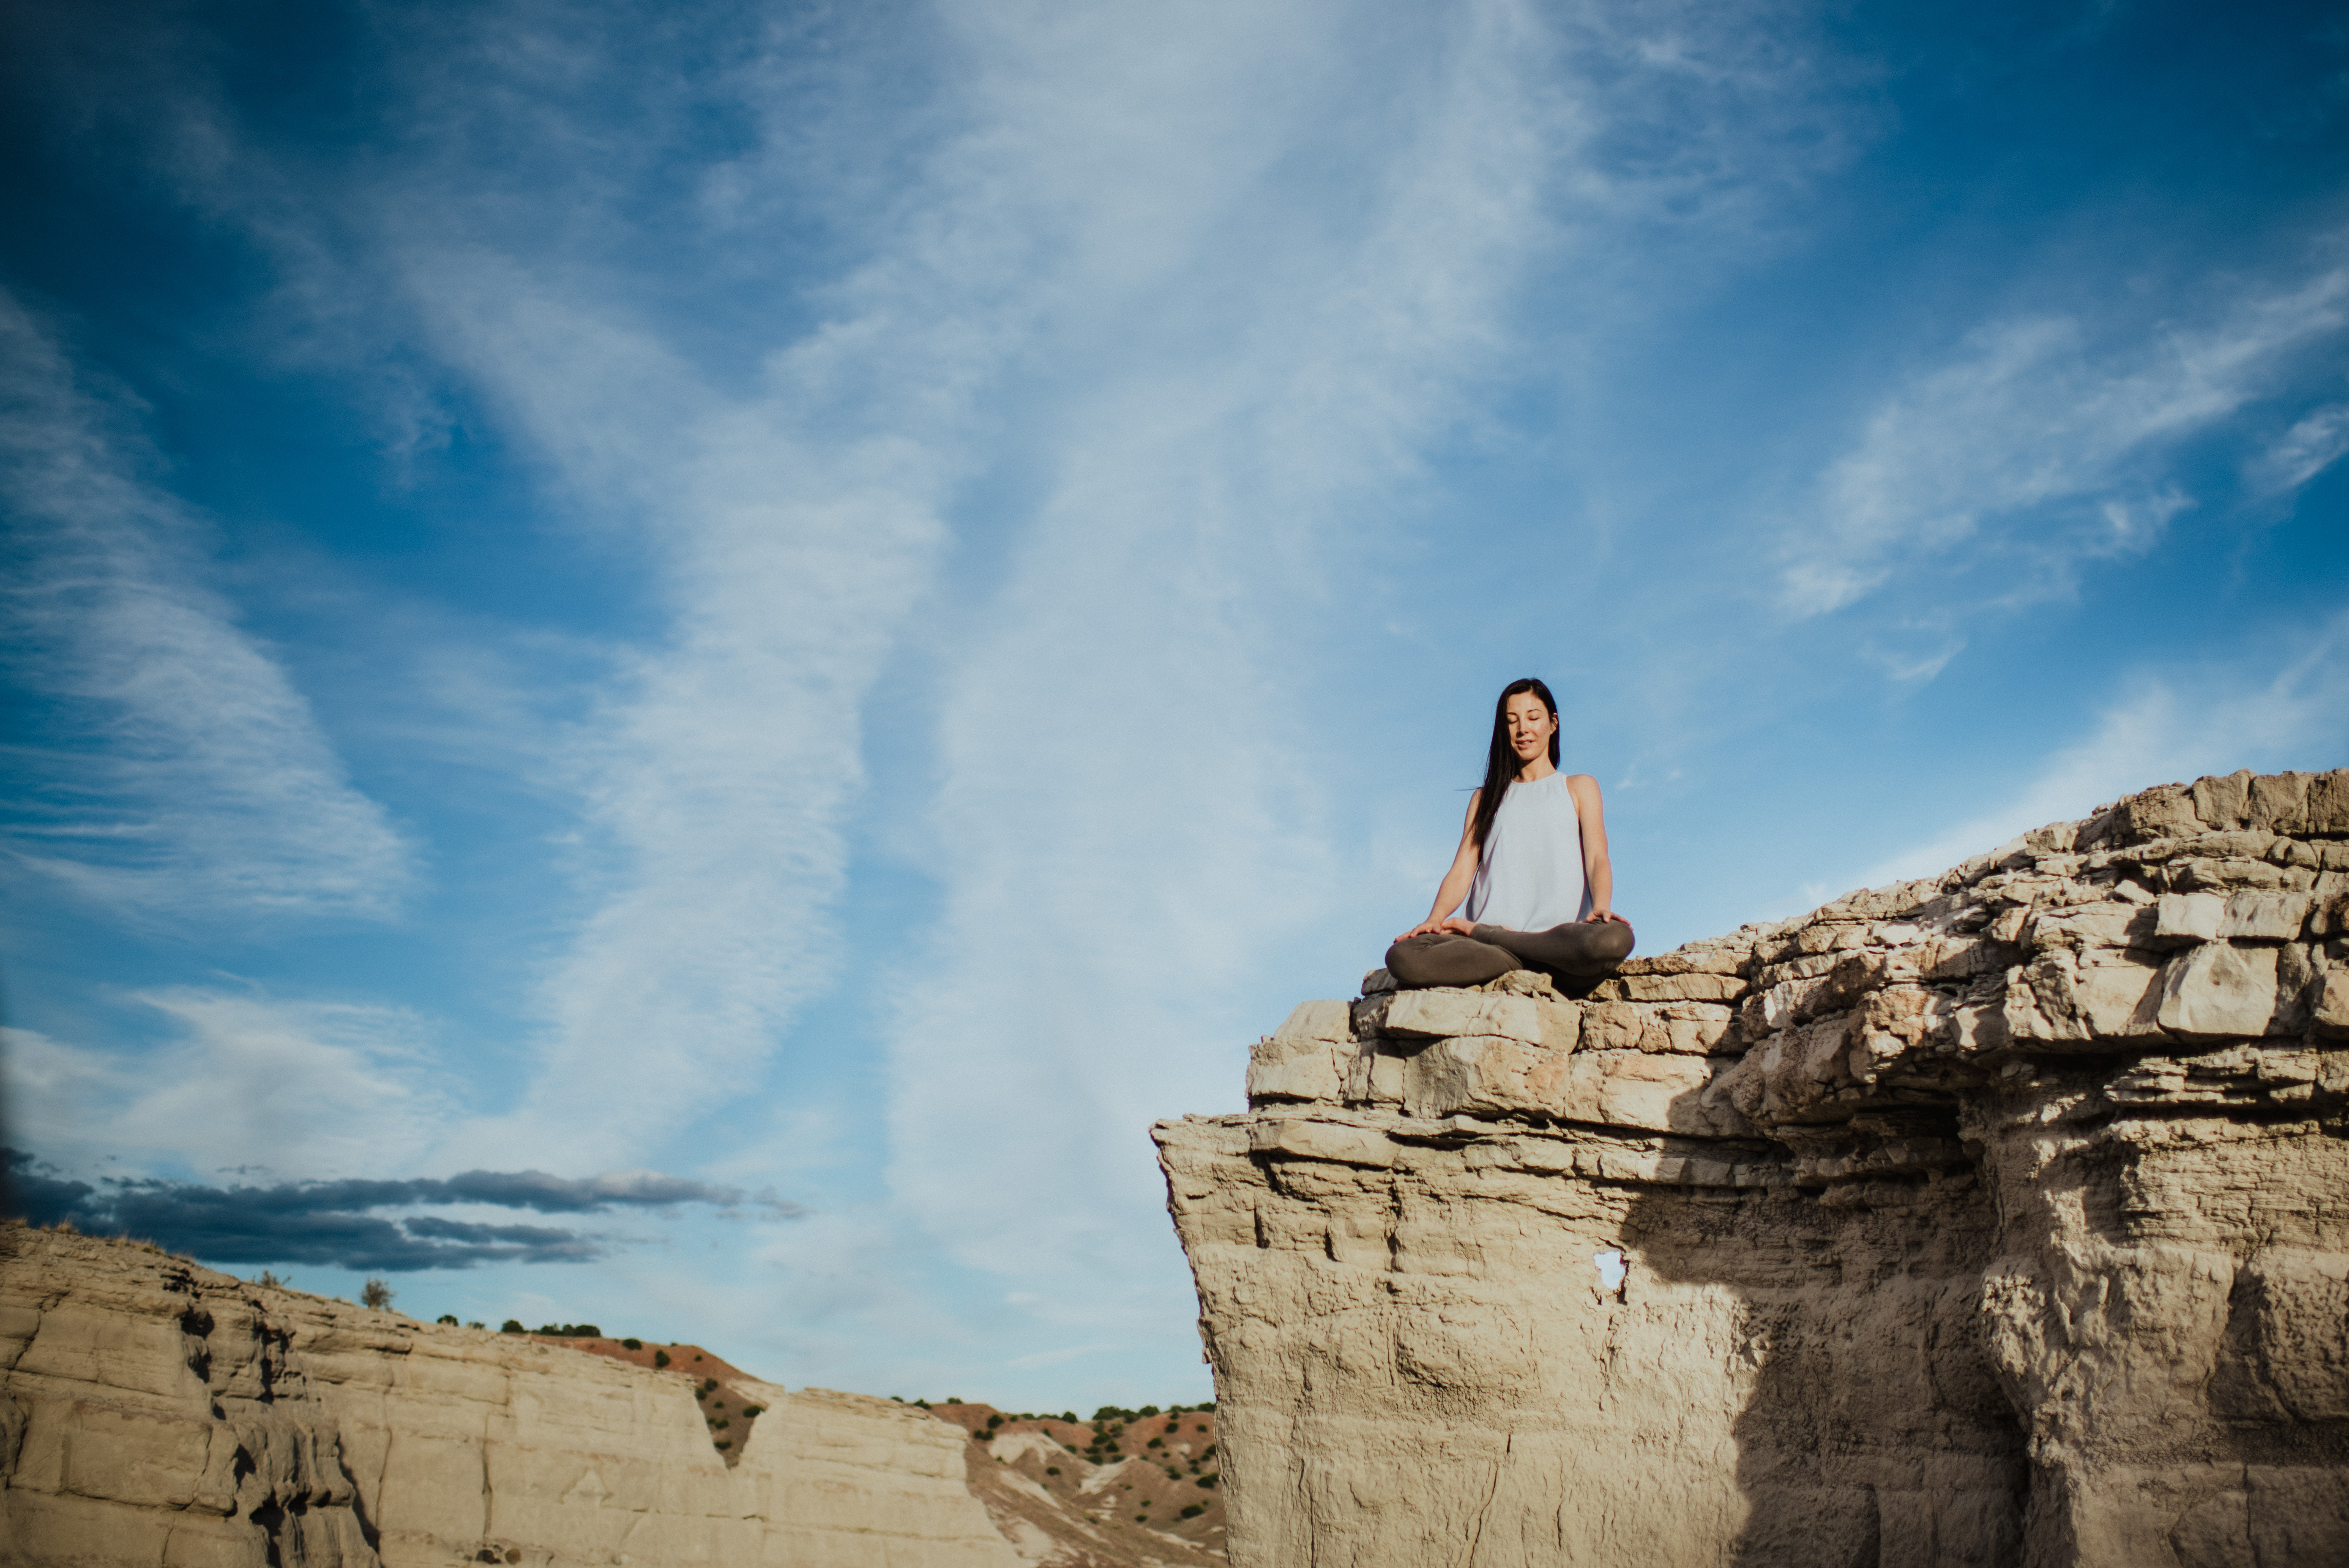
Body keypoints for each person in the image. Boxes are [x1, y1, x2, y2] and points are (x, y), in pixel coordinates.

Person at [1386, 677, 1633, 988]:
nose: (1523, 729)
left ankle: (1505, 943)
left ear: (1553, 723)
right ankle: (1519, 954)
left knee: (1612, 939)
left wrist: (1601, 906)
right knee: (1403, 956)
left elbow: (1598, 857)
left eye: (1533, 718)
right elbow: (1464, 867)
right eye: (1512, 721)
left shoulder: (1579, 787)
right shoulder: (1485, 798)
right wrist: (1435, 919)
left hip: (1558, 937)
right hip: (1489, 949)